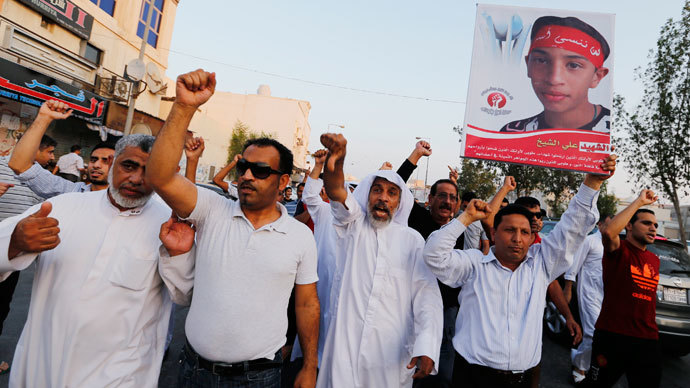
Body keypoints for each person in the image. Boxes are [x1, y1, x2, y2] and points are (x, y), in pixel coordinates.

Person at [145, 69, 319, 388]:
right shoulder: (213, 210)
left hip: (259, 377)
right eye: (244, 167)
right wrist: (184, 107)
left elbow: (307, 303)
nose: (248, 175)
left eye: (261, 170)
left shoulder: (300, 236)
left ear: (283, 181)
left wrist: (310, 365)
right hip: (194, 371)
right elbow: (160, 177)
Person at [0, 134, 195, 387]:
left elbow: (185, 295)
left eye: (150, 170)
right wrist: (15, 242)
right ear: (113, 164)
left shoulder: (173, 226)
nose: (136, 179)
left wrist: (178, 255)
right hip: (43, 365)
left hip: (120, 374)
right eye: (128, 166)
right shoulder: (62, 207)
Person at [423, 155, 616, 388]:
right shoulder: (474, 264)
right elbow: (434, 255)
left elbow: (572, 227)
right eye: (509, 230)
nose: (517, 239)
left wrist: (592, 183)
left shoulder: (541, 264)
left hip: (522, 379)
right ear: (494, 233)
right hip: (472, 378)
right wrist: (466, 218)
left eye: (524, 232)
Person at [316, 133, 443, 387]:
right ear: (367, 195)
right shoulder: (351, 227)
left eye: (392, 192)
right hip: (344, 354)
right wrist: (337, 162)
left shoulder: (413, 241)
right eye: (377, 190)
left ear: (400, 201)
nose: (383, 197)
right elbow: (336, 190)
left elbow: (427, 297)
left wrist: (427, 344)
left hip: (389, 361)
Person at [395, 141, 465, 387]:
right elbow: (397, 186)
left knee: (442, 372)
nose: (447, 202)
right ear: (430, 199)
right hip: (410, 305)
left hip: (446, 311)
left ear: (457, 206)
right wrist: (416, 155)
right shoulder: (417, 219)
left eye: (453, 198)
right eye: (442, 196)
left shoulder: (458, 230)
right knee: (404, 364)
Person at [583, 190, 662, 388]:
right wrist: (639, 201)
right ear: (628, 225)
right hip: (612, 336)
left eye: (655, 225)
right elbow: (609, 232)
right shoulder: (619, 250)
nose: (653, 228)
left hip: (647, 339)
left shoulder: (654, 260)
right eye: (646, 223)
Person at [0, 135, 55, 374]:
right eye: (49, 152)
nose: (52, 157)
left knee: (2, 306)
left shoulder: (42, 179)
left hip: (11, 259)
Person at [500, 16, 611, 132]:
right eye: (541, 61)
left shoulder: (615, 133)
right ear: (529, 66)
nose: (554, 79)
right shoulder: (511, 135)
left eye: (573, 65)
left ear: (596, 77)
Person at [8, 101, 114, 196]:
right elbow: (20, 166)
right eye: (93, 160)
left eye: (106, 161)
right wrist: (44, 118)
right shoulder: (73, 192)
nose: (96, 165)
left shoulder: (127, 204)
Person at [290, 149, 336, 367]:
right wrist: (318, 166)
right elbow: (309, 196)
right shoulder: (326, 212)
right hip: (317, 285)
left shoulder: (360, 220)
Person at [562, 214, 612, 383]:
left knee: (603, 334)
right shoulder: (590, 241)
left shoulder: (614, 245)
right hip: (588, 294)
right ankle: (579, 366)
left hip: (606, 297)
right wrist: (568, 288)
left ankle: (582, 358)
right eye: (609, 224)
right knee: (591, 333)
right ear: (599, 225)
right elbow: (574, 266)